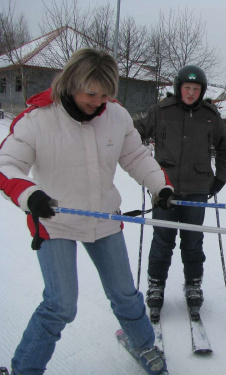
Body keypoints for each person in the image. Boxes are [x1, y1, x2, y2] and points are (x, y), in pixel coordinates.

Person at [0, 48, 172, 375]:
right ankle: (25, 369)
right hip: (55, 222)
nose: (98, 102)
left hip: (104, 219)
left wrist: (160, 186)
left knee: (124, 294)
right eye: (91, 93)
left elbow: (135, 156)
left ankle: (144, 345)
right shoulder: (38, 119)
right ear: (70, 83)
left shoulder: (115, 116)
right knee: (60, 305)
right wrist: (29, 194)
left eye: (105, 95)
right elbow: (6, 164)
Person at [134, 65, 226, 322]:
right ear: (178, 87)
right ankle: (156, 286)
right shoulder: (161, 111)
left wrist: (220, 179)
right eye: (187, 88)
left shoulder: (210, 115)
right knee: (162, 240)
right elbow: (135, 133)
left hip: (197, 190)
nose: (191, 93)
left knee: (192, 243)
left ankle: (193, 285)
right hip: (163, 188)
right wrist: (142, 165)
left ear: (201, 91)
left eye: (196, 89)